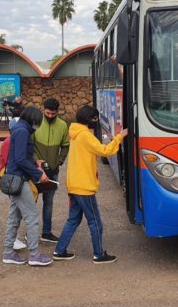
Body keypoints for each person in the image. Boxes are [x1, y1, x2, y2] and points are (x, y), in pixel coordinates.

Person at [53, 105, 127, 264]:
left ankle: (59, 251)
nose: (97, 121)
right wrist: (120, 137)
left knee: (73, 220)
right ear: (89, 119)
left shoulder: (74, 132)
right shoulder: (85, 136)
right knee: (95, 222)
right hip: (84, 187)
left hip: (74, 184)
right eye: (95, 118)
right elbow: (105, 151)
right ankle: (99, 254)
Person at [2, 106, 53, 266]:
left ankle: (8, 252)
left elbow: (20, 156)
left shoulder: (19, 129)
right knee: (31, 217)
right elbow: (20, 159)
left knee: (14, 217)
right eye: (37, 122)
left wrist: (35, 162)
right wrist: (39, 174)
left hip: (14, 179)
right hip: (20, 179)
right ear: (33, 120)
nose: (37, 125)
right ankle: (34, 255)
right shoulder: (23, 131)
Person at [32, 98, 69, 243]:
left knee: (49, 202)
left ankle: (46, 232)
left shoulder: (63, 126)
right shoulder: (36, 122)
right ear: (43, 110)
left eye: (53, 114)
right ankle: (31, 232)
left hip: (53, 171)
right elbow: (30, 144)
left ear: (57, 112)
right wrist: (36, 160)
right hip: (35, 170)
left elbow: (66, 145)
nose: (50, 116)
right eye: (47, 113)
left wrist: (59, 161)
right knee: (31, 202)